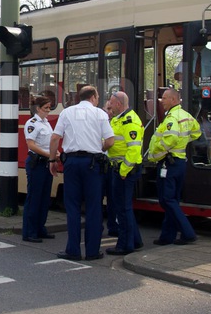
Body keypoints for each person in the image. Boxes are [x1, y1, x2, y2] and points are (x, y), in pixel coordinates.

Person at [48, 86, 115, 261]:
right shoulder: (100, 114)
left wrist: (52, 160)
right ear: (93, 97)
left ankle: (73, 250)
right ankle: (92, 251)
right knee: (94, 208)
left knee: (73, 207)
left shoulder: (67, 112)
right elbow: (110, 141)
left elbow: (55, 138)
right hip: (93, 164)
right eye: (98, 96)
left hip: (72, 163)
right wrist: (97, 149)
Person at [148, 87, 201, 245]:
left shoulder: (171, 118)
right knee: (173, 200)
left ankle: (188, 233)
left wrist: (157, 153)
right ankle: (167, 236)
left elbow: (169, 140)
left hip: (168, 163)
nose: (161, 101)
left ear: (173, 100)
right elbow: (196, 131)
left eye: (164, 98)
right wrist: (182, 143)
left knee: (166, 200)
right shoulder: (185, 115)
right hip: (179, 163)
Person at [104, 91, 145, 256]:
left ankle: (124, 245)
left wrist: (123, 171)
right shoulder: (118, 119)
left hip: (124, 170)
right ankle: (135, 240)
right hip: (119, 167)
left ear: (119, 104)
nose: (110, 107)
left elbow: (134, 150)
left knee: (122, 208)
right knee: (123, 207)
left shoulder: (130, 121)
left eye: (112, 104)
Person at [21, 95, 55, 243]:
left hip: (47, 162)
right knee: (34, 198)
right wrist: (49, 154)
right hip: (37, 163)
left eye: (49, 108)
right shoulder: (32, 123)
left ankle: (40, 228)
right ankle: (29, 232)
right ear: (38, 109)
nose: (48, 111)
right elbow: (31, 145)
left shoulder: (46, 123)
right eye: (45, 108)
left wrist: (55, 154)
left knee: (44, 198)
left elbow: (49, 143)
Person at [101, 98, 119, 238]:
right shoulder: (99, 124)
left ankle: (113, 226)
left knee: (113, 198)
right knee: (98, 197)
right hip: (101, 163)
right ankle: (98, 226)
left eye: (110, 109)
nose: (109, 112)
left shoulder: (117, 124)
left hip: (112, 164)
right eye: (107, 109)